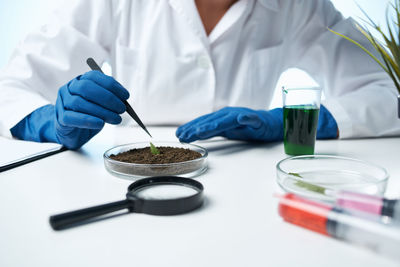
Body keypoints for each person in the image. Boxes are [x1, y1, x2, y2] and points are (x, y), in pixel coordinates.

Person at [0, 0, 399, 150]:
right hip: (127, 176)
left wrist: (289, 124)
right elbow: (11, 88)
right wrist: (51, 123)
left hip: (248, 185)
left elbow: (385, 98)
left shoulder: (300, 6)